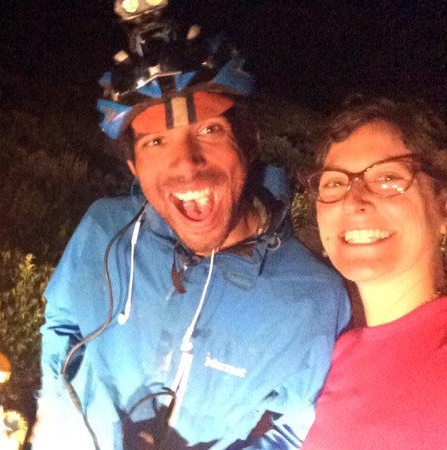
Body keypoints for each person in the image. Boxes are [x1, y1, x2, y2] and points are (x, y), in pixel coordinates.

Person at [30, 11, 350, 450]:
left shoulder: (315, 297)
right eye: (155, 143)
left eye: (209, 130)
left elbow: (297, 425)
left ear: (249, 141)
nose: (185, 163)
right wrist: (59, 424)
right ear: (133, 167)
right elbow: (61, 325)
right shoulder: (103, 229)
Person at [301, 96, 447, 449]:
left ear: (443, 207)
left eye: (388, 177)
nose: (355, 201)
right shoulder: (342, 351)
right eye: (335, 183)